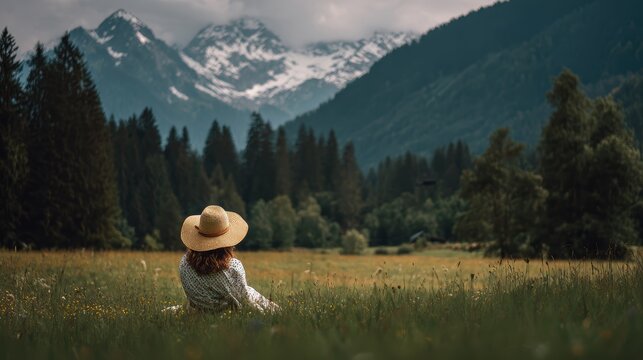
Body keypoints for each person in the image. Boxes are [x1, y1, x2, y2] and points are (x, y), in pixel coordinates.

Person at [176, 205, 279, 313]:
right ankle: (278, 311)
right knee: (253, 296)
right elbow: (244, 300)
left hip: (199, 313)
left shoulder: (185, 264)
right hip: (227, 313)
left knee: (251, 293)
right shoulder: (233, 267)